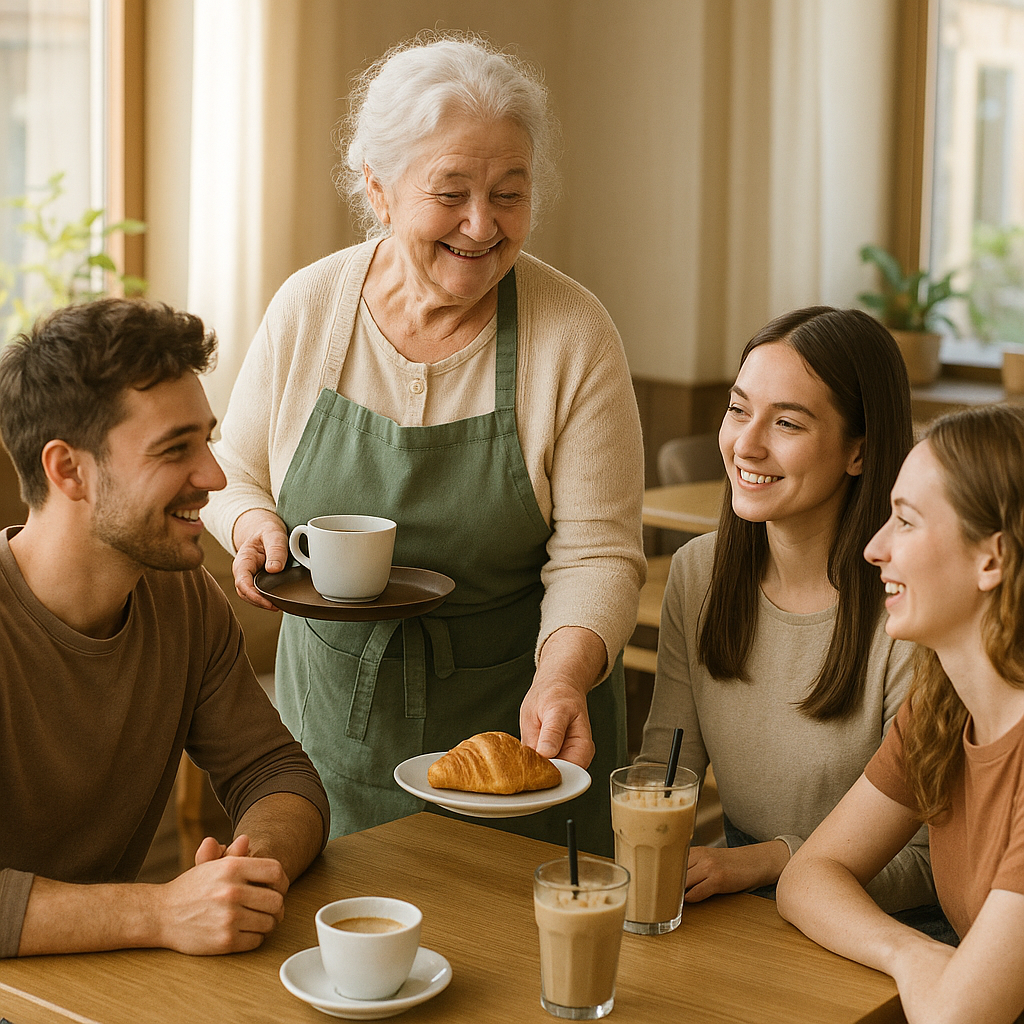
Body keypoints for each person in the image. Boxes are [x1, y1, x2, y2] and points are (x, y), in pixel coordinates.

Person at [204, 34, 644, 855]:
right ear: (377, 187)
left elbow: (599, 553)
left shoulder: (573, 333)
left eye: (510, 194)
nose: (482, 225)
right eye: (451, 192)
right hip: (334, 731)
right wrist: (250, 524)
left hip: (521, 740)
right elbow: (234, 468)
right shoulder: (311, 307)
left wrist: (565, 675)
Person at [0, 298, 330, 959]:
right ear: (68, 470)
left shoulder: (183, 599)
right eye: (176, 449)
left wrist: (247, 868)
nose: (213, 476)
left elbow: (277, 774)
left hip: (114, 982)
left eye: (206, 439)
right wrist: (157, 913)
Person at [640, 306, 938, 915]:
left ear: (859, 451)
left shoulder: (909, 608)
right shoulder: (699, 573)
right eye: (738, 408)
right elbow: (662, 773)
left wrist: (770, 859)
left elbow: (930, 863)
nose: (747, 444)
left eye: (789, 424)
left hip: (882, 922)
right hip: (743, 903)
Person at [778, 405, 1024, 1023]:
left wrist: (941, 976)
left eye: (906, 522)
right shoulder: (941, 708)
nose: (873, 548)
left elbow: (956, 1017)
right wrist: (913, 953)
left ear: (991, 559)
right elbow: (807, 876)